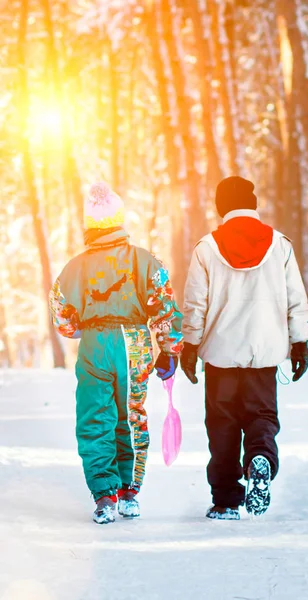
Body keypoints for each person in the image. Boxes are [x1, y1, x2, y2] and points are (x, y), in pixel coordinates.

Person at [49, 182, 183, 524]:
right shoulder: (144, 261)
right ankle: (129, 491)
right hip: (133, 343)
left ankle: (104, 494)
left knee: (95, 417)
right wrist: (168, 349)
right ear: (120, 219)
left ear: (88, 224)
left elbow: (62, 310)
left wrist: (79, 329)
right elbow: (164, 304)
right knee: (130, 413)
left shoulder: (75, 267)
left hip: (95, 343)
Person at [180, 176, 308, 520]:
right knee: (261, 416)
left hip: (221, 354)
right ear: (251, 205)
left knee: (222, 425)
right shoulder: (280, 245)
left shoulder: (207, 247)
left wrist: (190, 347)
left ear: (221, 207)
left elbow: (195, 305)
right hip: (265, 352)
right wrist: (300, 342)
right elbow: (296, 299)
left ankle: (225, 500)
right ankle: (261, 456)